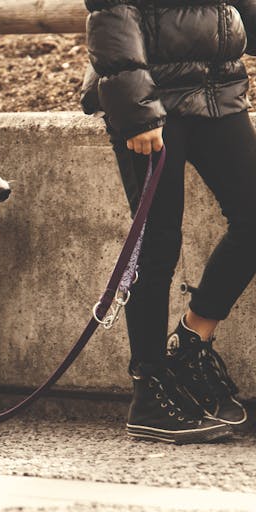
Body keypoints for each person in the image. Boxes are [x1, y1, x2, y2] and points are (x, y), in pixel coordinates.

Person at [81, 0, 256, 443]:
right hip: (153, 98)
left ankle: (192, 344)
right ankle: (150, 389)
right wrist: (137, 110)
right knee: (158, 242)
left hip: (218, 91)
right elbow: (111, 13)